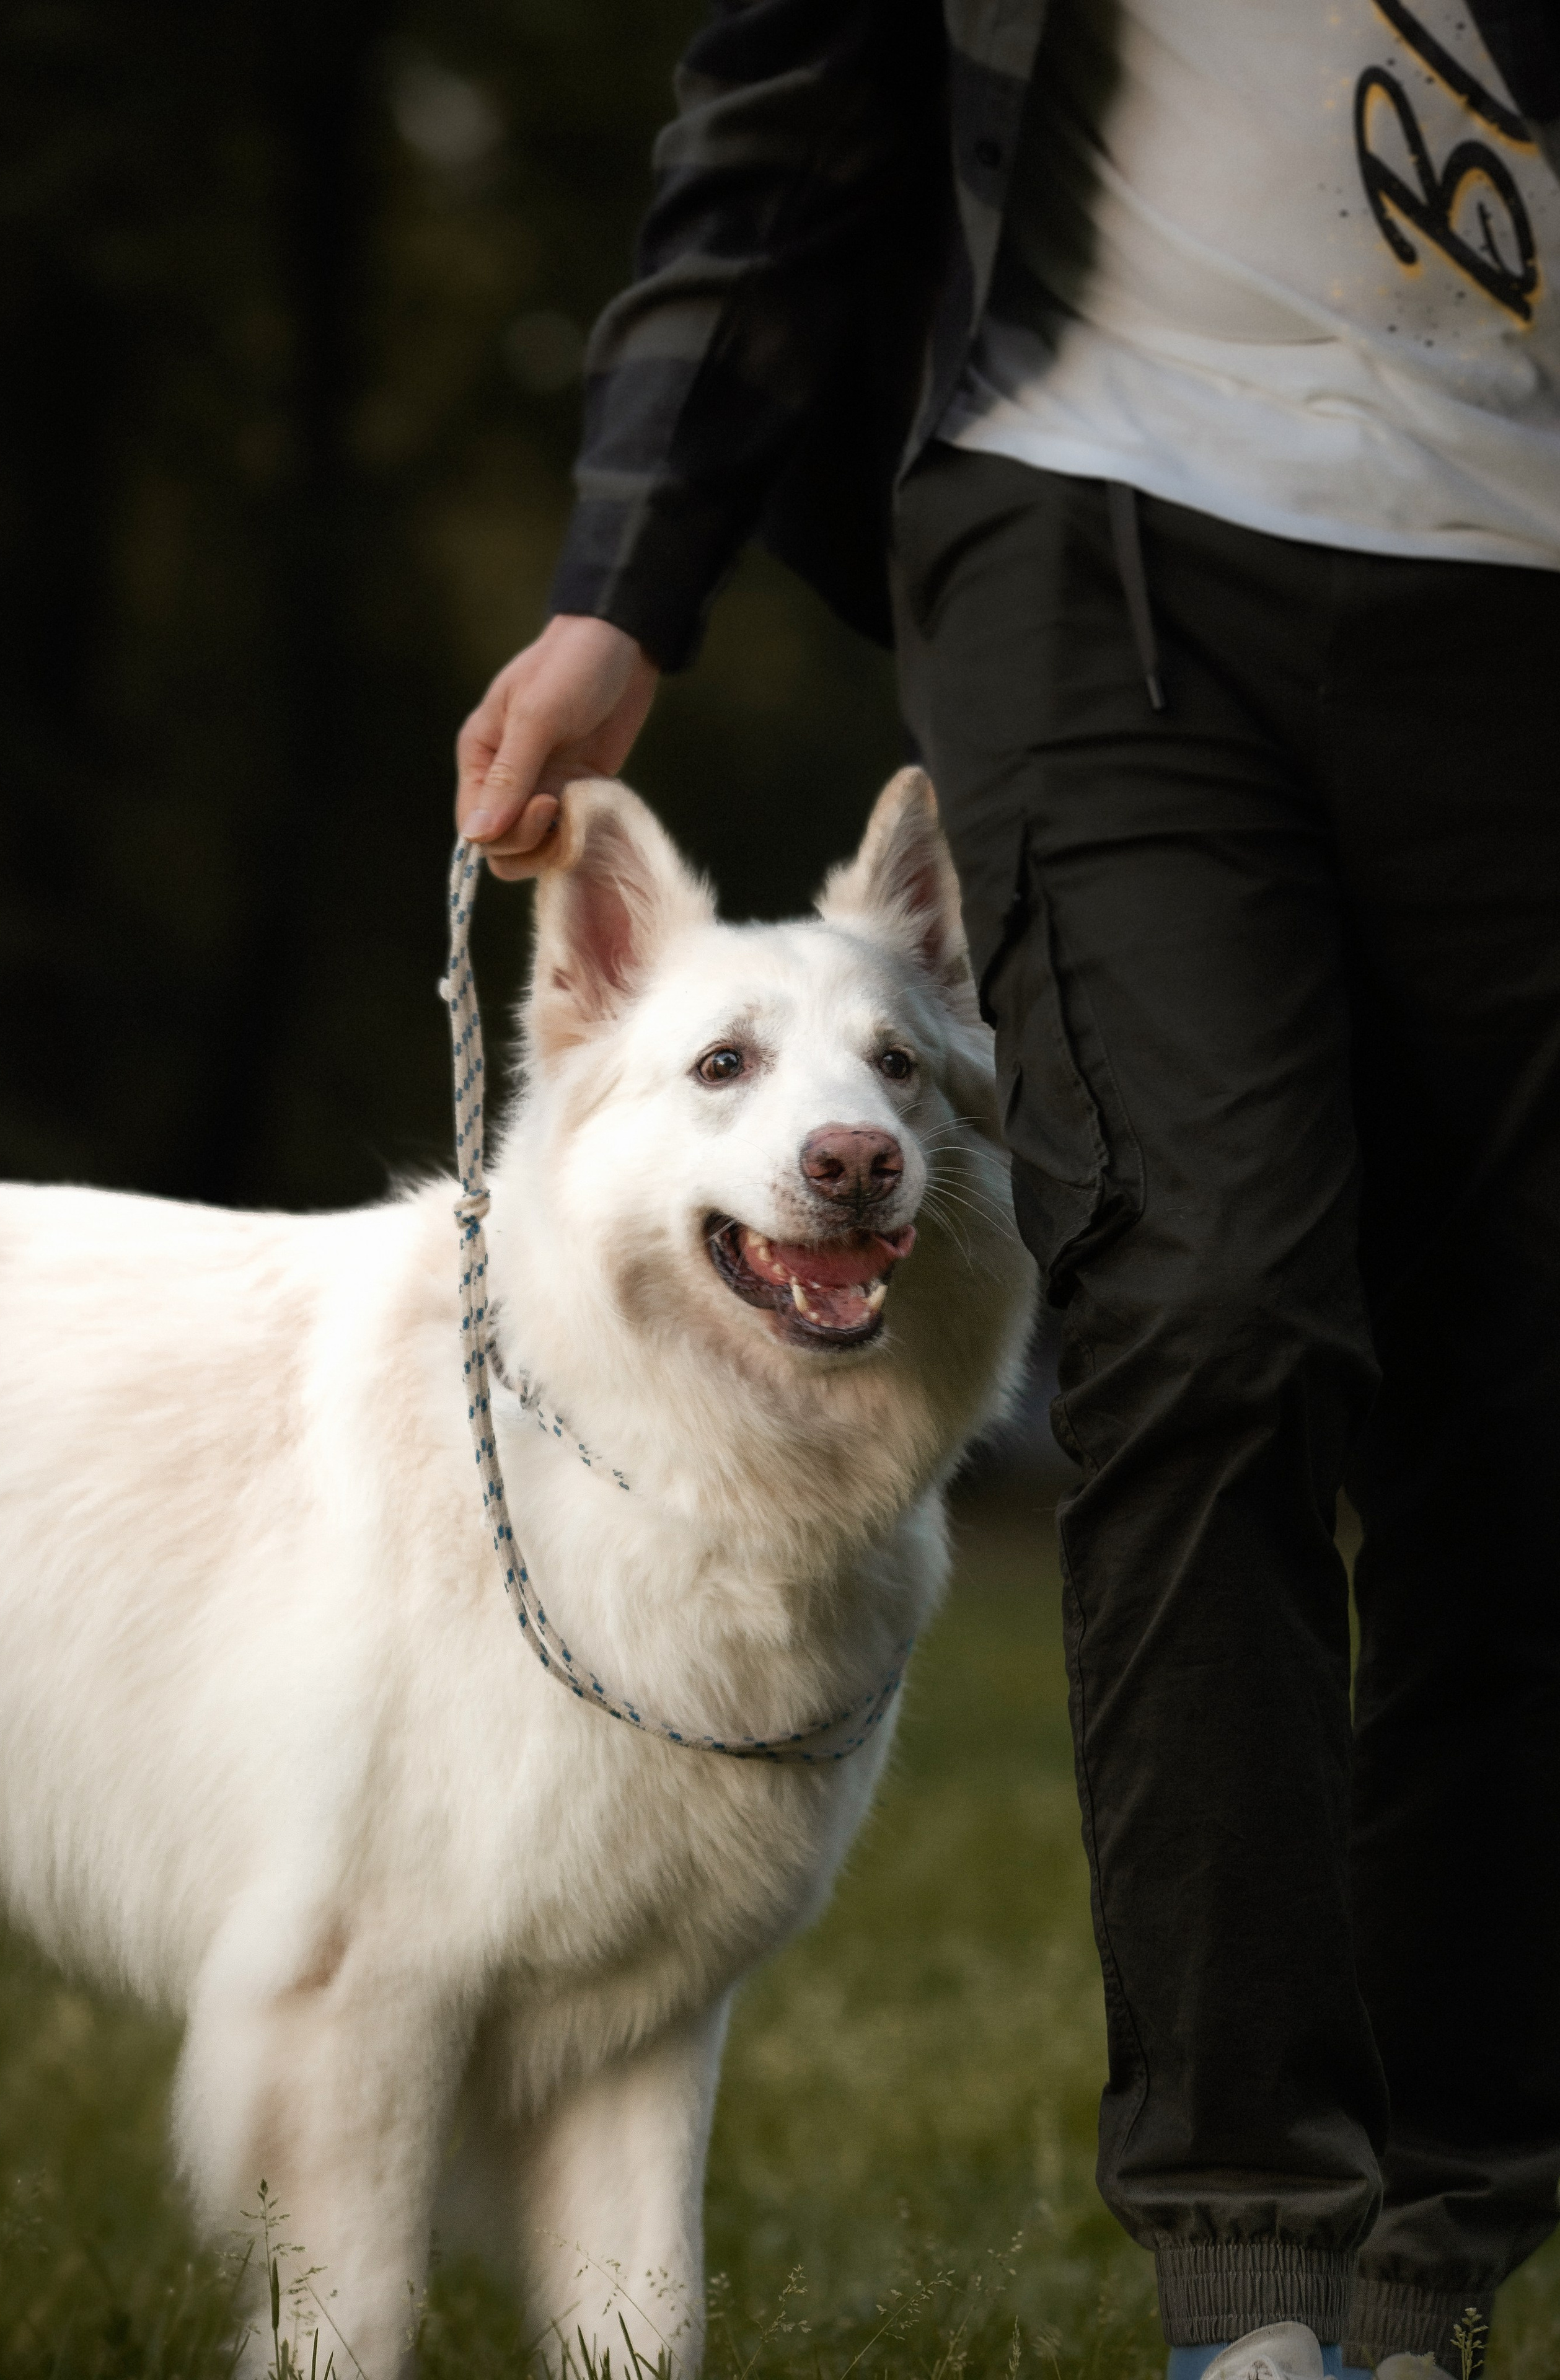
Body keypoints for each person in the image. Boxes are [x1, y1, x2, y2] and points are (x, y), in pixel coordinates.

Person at [452, 6, 1560, 2376]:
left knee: (1519, 1423)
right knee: (1214, 1306)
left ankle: (1438, 2249)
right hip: (1103, 514)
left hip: (1526, 568)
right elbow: (787, 96)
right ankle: (1257, 2271)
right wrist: (627, 575)